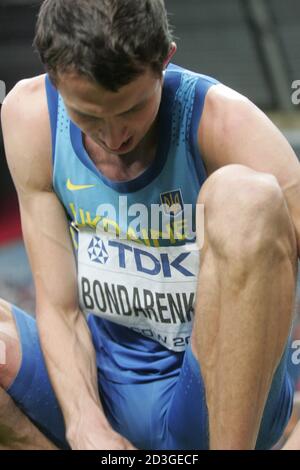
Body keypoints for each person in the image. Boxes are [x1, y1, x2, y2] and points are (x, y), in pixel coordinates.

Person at [0, 0, 299, 450]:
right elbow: (59, 307)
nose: (114, 136)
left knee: (247, 196)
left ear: (166, 60)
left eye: (132, 109)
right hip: (101, 384)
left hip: (216, 402)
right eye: (88, 115)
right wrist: (86, 425)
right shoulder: (30, 117)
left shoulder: (226, 122)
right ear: (54, 78)